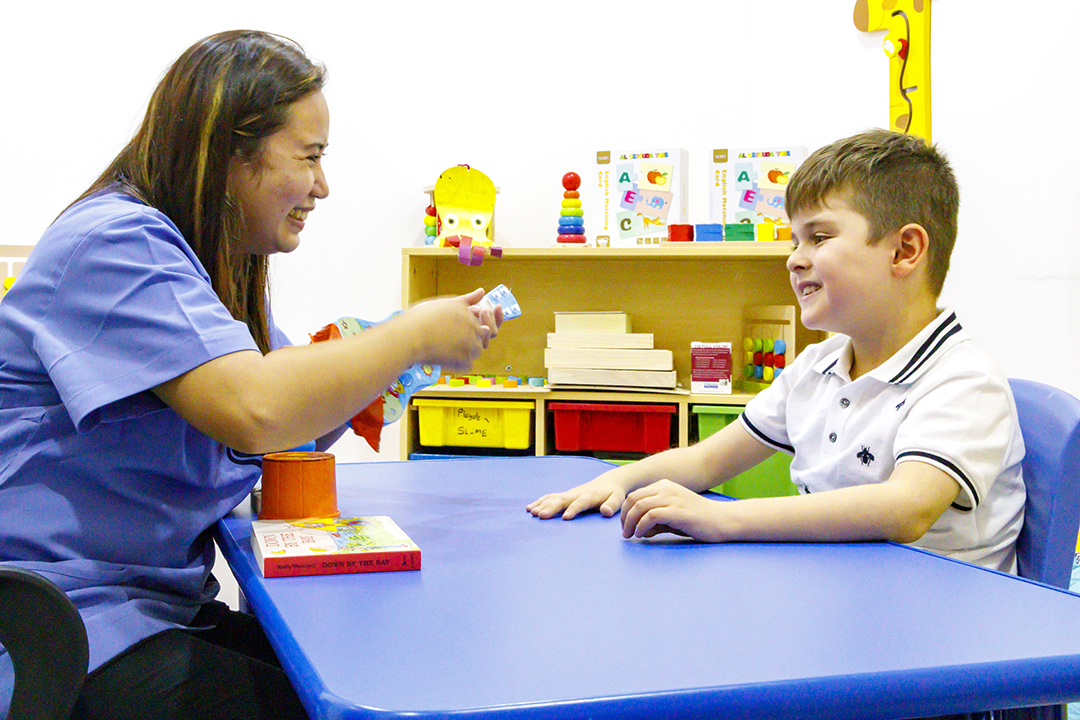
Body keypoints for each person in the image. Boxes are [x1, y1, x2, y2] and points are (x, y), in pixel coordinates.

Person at [0, 30, 501, 719]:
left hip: (150, 609)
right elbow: (258, 408)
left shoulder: (211, 264)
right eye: (311, 158)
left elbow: (289, 416)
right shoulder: (115, 245)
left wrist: (383, 363)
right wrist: (407, 336)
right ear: (232, 154)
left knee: (358, 674)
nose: (322, 187)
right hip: (64, 628)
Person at [527, 129, 1026, 575]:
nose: (794, 258)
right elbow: (703, 464)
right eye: (794, 240)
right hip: (840, 590)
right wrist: (620, 481)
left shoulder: (964, 379)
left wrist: (722, 518)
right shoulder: (818, 366)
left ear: (904, 251)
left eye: (819, 237)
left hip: (938, 623)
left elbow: (905, 508)